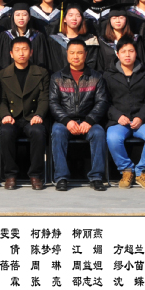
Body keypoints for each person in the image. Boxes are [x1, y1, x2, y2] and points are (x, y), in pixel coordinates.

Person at [49, 38, 110, 191]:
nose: (75, 56)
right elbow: (53, 103)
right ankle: (61, 177)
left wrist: (89, 120)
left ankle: (96, 177)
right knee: (57, 132)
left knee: (99, 133)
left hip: (88, 121)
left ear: (86, 54)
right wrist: (67, 121)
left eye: (79, 53)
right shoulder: (57, 77)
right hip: (65, 121)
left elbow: (102, 101)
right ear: (67, 54)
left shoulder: (96, 77)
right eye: (72, 53)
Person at [103, 36, 145, 189]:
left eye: (131, 51)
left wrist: (141, 117)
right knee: (113, 138)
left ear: (136, 53)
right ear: (117, 54)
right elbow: (104, 102)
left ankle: (142, 172)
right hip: (118, 121)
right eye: (123, 51)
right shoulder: (108, 75)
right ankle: (126, 170)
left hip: (142, 120)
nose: (127, 55)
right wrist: (117, 116)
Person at [0, 36, 50, 190]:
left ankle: (35, 175)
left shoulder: (41, 73)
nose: (21, 53)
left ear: (31, 52)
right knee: (5, 131)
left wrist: (39, 114)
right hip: (12, 117)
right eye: (17, 50)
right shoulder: (2, 74)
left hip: (32, 117)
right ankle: (10, 175)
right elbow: (1, 100)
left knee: (38, 132)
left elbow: (44, 98)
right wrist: (5, 115)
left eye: (25, 49)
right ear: (11, 53)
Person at [0, 0, 50, 71]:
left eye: (24, 14)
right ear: (13, 17)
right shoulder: (5, 37)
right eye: (17, 15)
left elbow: (42, 60)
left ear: (29, 17)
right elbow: (3, 62)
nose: (21, 18)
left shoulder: (38, 37)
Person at [47, 0, 99, 72]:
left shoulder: (90, 41)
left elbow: (91, 65)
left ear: (82, 19)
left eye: (78, 15)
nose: (74, 18)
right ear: (64, 19)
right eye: (70, 15)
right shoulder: (54, 40)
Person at [96, 4, 145, 73]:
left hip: (133, 75)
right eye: (114, 18)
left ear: (126, 20)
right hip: (109, 76)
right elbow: (100, 64)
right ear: (109, 20)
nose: (118, 21)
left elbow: (142, 61)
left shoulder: (135, 39)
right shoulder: (103, 41)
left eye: (121, 18)